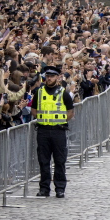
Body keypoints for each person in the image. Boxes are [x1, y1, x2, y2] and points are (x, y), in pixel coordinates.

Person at [31, 66, 74, 198]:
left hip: (58, 131)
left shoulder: (63, 92)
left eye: (52, 76)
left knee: (59, 160)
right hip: (43, 130)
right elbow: (34, 110)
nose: (49, 78)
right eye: (47, 76)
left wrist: (59, 121)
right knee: (43, 161)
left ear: (57, 77)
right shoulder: (39, 92)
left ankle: (60, 188)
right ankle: (44, 188)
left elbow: (70, 112)